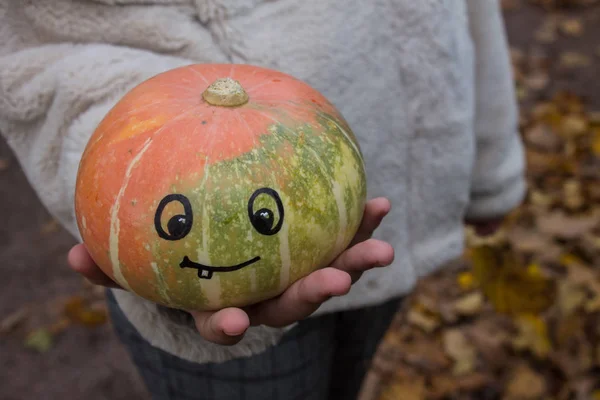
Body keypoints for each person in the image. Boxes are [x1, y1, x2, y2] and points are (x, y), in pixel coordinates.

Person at [0, 1, 526, 399]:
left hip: (381, 207)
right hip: (209, 270)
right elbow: (45, 41)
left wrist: (489, 158)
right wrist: (145, 171)